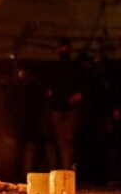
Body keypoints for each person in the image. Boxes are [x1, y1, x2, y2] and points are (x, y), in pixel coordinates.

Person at [47, 39, 82, 170]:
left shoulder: (72, 67)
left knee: (66, 141)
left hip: (66, 108)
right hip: (59, 108)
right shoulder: (56, 68)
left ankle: (66, 168)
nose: (63, 51)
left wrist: (78, 96)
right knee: (63, 141)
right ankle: (64, 168)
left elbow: (81, 87)